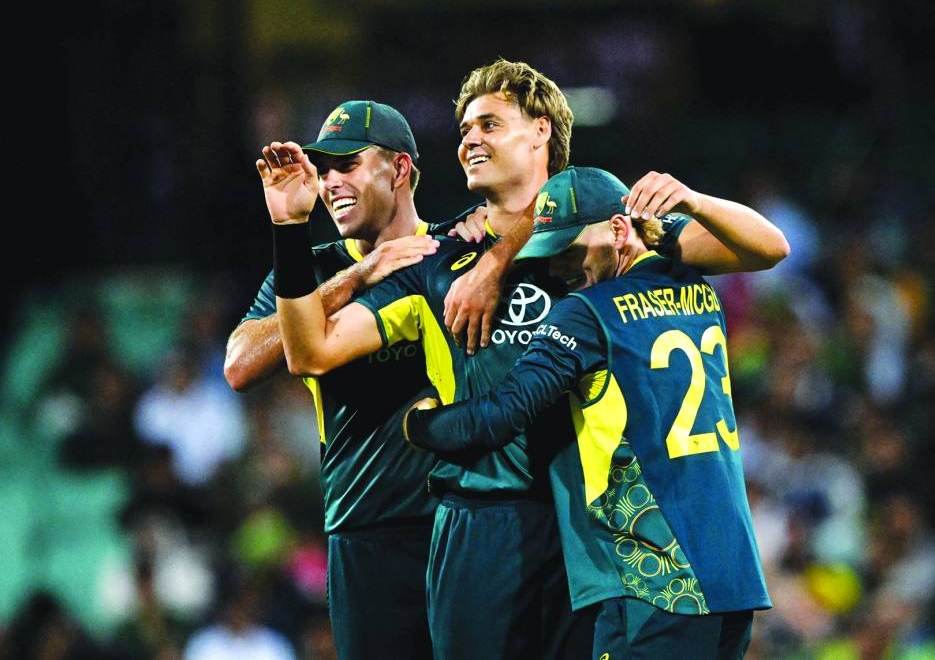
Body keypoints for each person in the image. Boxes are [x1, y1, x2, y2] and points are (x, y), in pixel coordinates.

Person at [268, 59, 787, 659]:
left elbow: (766, 249)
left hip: (588, 528)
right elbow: (310, 352)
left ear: (542, 131)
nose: (469, 140)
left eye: (489, 124)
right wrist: (290, 229)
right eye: (464, 130)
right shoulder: (437, 261)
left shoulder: (604, 231)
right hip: (481, 522)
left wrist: (691, 202)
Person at [403, 166, 777, 659]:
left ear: (619, 230)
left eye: (570, 250)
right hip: (731, 573)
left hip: (655, 578)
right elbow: (771, 246)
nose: (559, 269)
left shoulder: (587, 312)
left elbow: (498, 416)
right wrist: (695, 201)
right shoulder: (696, 286)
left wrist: (420, 423)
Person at [225, 100, 446, 660]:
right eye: (323, 170)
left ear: (399, 168)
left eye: (347, 165)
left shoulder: (452, 251)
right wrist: (356, 276)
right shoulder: (311, 270)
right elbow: (240, 364)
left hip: (459, 518)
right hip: (363, 531)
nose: (330, 183)